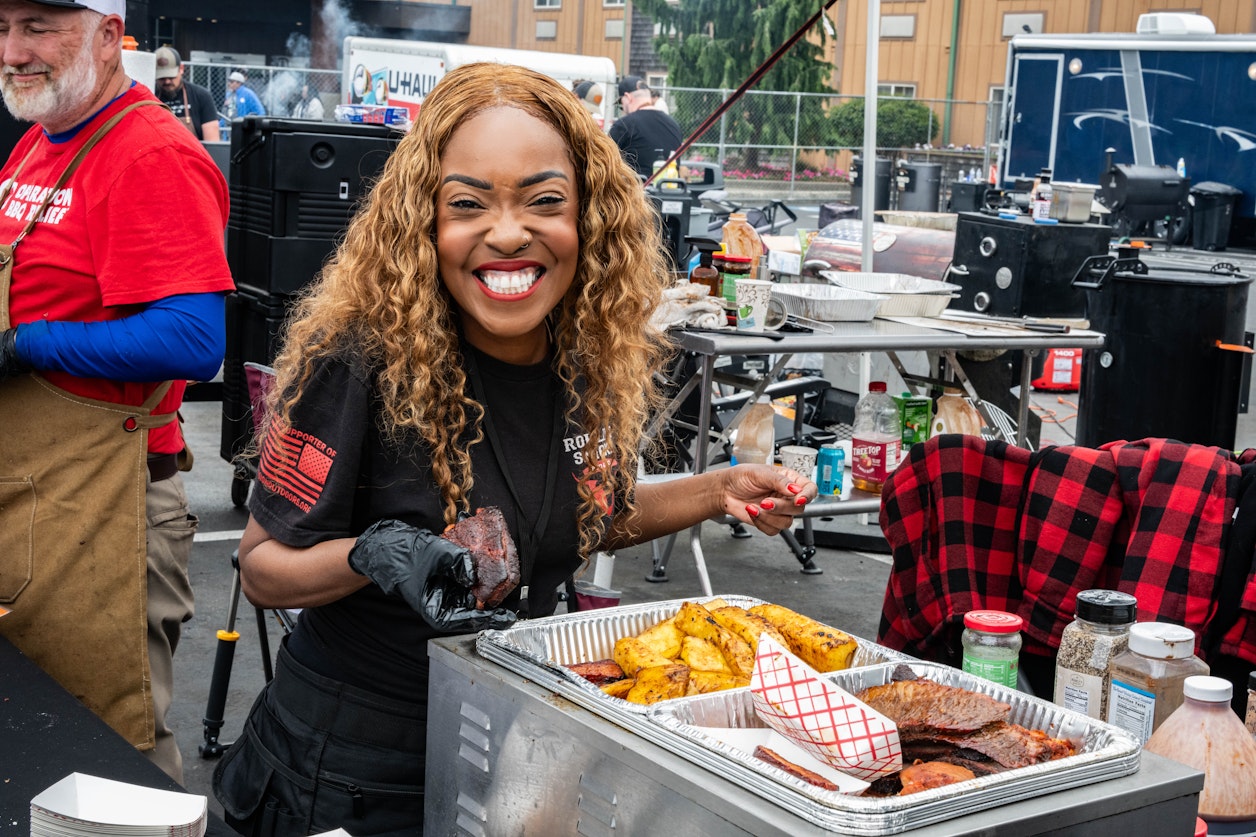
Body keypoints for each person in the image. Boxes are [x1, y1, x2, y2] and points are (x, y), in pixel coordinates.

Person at [211, 61, 816, 835]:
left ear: (588, 218)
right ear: (423, 221)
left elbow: (582, 517)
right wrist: (376, 551)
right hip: (348, 769)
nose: (506, 232)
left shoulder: (587, 352)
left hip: (512, 742)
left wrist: (719, 486)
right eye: (468, 204)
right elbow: (261, 567)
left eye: (544, 202)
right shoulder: (359, 356)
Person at [0, 0, 235, 783]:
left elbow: (195, 340)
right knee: (35, 743)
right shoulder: (39, 143)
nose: (14, 48)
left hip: (107, 509)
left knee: (109, 764)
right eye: (3, 27)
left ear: (108, 34)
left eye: (39, 26)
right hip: (34, 498)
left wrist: (27, 345)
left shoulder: (147, 153)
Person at [608, 74, 682, 178]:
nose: (623, 109)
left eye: (621, 104)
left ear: (628, 97)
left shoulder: (624, 125)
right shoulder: (674, 125)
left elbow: (604, 161)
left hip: (634, 191)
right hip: (669, 190)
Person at [154, 45, 220, 140]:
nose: (167, 81)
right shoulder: (150, 97)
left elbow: (213, 143)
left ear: (181, 69)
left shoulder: (201, 96)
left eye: (171, 77)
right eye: (162, 78)